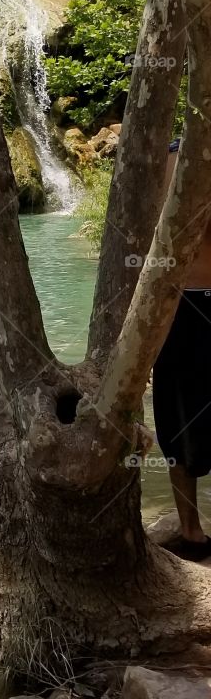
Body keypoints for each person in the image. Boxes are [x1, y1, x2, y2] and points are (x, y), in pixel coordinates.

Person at [153, 140, 211, 559]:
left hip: (178, 304)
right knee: (176, 420)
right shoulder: (170, 156)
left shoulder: (169, 156)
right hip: (174, 303)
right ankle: (191, 532)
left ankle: (192, 532)